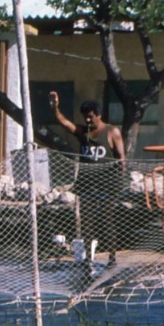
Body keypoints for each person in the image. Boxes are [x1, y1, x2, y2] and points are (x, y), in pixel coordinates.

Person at [50, 92, 126, 265]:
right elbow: (64, 123)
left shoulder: (111, 131)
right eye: (86, 118)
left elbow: (121, 158)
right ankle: (87, 259)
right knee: (87, 223)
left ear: (98, 115)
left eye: (91, 117)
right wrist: (55, 107)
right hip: (87, 183)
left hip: (106, 183)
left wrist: (119, 182)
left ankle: (112, 258)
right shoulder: (83, 132)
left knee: (107, 221)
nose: (89, 121)